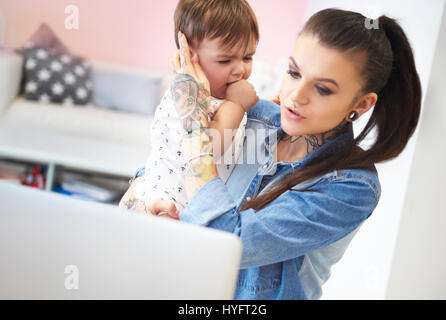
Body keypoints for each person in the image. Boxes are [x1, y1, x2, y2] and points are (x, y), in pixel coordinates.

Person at [120, 8, 422, 299]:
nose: (296, 95)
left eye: (323, 89)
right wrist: (146, 207)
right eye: (293, 72)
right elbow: (157, 169)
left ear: (362, 104)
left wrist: (191, 112)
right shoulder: (257, 117)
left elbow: (227, 242)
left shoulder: (350, 187)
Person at [128, 0, 260, 212]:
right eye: (225, 61)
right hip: (162, 207)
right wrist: (237, 104)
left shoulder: (225, 97)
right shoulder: (183, 99)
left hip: (196, 211)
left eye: (248, 57)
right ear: (189, 56)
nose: (240, 70)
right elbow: (209, 151)